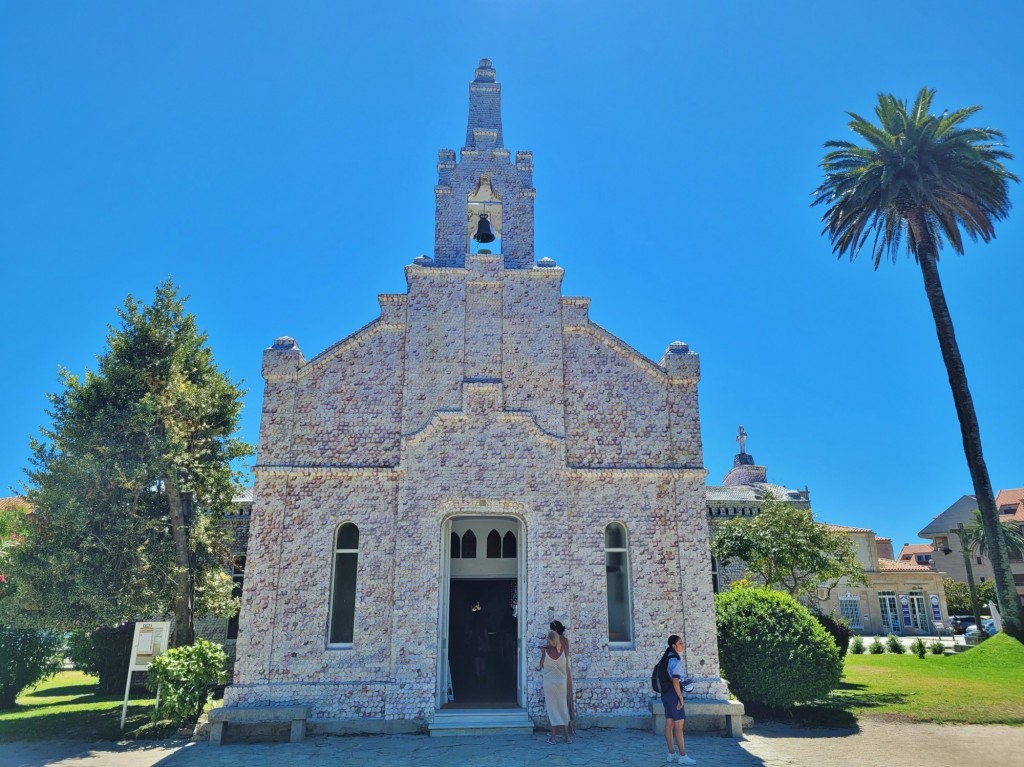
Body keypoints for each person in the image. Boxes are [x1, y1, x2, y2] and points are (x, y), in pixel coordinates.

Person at [659, 635, 695, 765]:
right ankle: (683, 756)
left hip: (665, 694)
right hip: (674, 694)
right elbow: (675, 680)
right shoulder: (677, 660)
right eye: (680, 643)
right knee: (679, 726)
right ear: (674, 646)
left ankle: (671, 754)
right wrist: (680, 698)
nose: (682, 645)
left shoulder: (666, 658)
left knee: (669, 724)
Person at [539, 629, 571, 744]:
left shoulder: (547, 652)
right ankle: (567, 736)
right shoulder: (563, 651)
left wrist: (543, 652)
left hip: (549, 683)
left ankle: (553, 737)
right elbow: (565, 665)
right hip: (561, 683)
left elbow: (541, 665)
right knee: (562, 707)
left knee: (552, 709)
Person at [550, 620, 575, 734]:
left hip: (557, 672)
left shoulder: (555, 642)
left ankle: (558, 730)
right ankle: (568, 730)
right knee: (566, 700)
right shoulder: (566, 641)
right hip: (566, 671)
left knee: (557, 701)